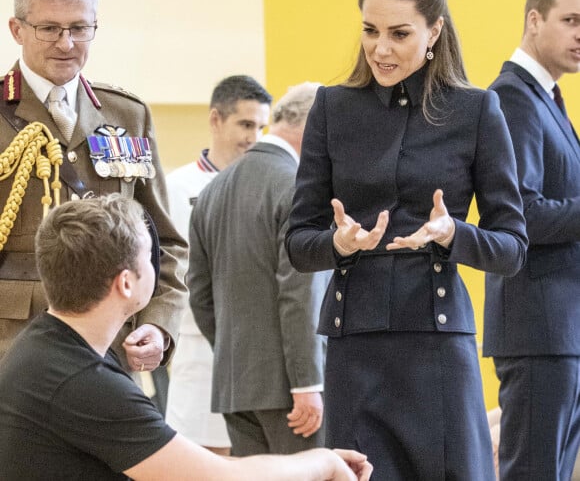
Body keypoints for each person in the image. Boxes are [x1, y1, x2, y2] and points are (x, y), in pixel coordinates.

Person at [284, 0, 528, 481]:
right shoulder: (332, 107)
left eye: (399, 33)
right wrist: (338, 244)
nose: (381, 48)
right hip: (355, 346)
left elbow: (512, 246)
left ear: (434, 30)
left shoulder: (477, 110)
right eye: (370, 30)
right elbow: (298, 241)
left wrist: (453, 234)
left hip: (437, 344)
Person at [0, 194, 373, 481]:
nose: (159, 266)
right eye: (150, 256)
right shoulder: (82, 380)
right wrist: (322, 461)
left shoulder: (48, 343)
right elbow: (219, 477)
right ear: (126, 283)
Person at [0, 0, 187, 375]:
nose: (66, 43)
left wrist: (158, 325)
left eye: (80, 28)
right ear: (17, 30)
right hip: (13, 351)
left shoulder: (127, 115)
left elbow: (166, 244)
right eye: (49, 28)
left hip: (110, 353)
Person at [189, 82, 328, 456]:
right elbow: (301, 292)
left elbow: (200, 294)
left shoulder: (213, 189)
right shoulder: (302, 187)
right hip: (293, 392)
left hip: (236, 385)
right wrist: (307, 382)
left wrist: (240, 352)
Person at [483, 0, 580, 481]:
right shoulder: (513, 97)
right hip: (539, 324)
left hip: (560, 326)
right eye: (572, 21)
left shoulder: (548, 98)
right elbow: (521, 214)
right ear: (534, 20)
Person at [165, 74, 272, 452]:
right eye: (245, 124)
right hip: (198, 347)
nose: (254, 137)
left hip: (260, 355)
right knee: (201, 459)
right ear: (215, 120)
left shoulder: (270, 187)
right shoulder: (174, 188)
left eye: (262, 126)